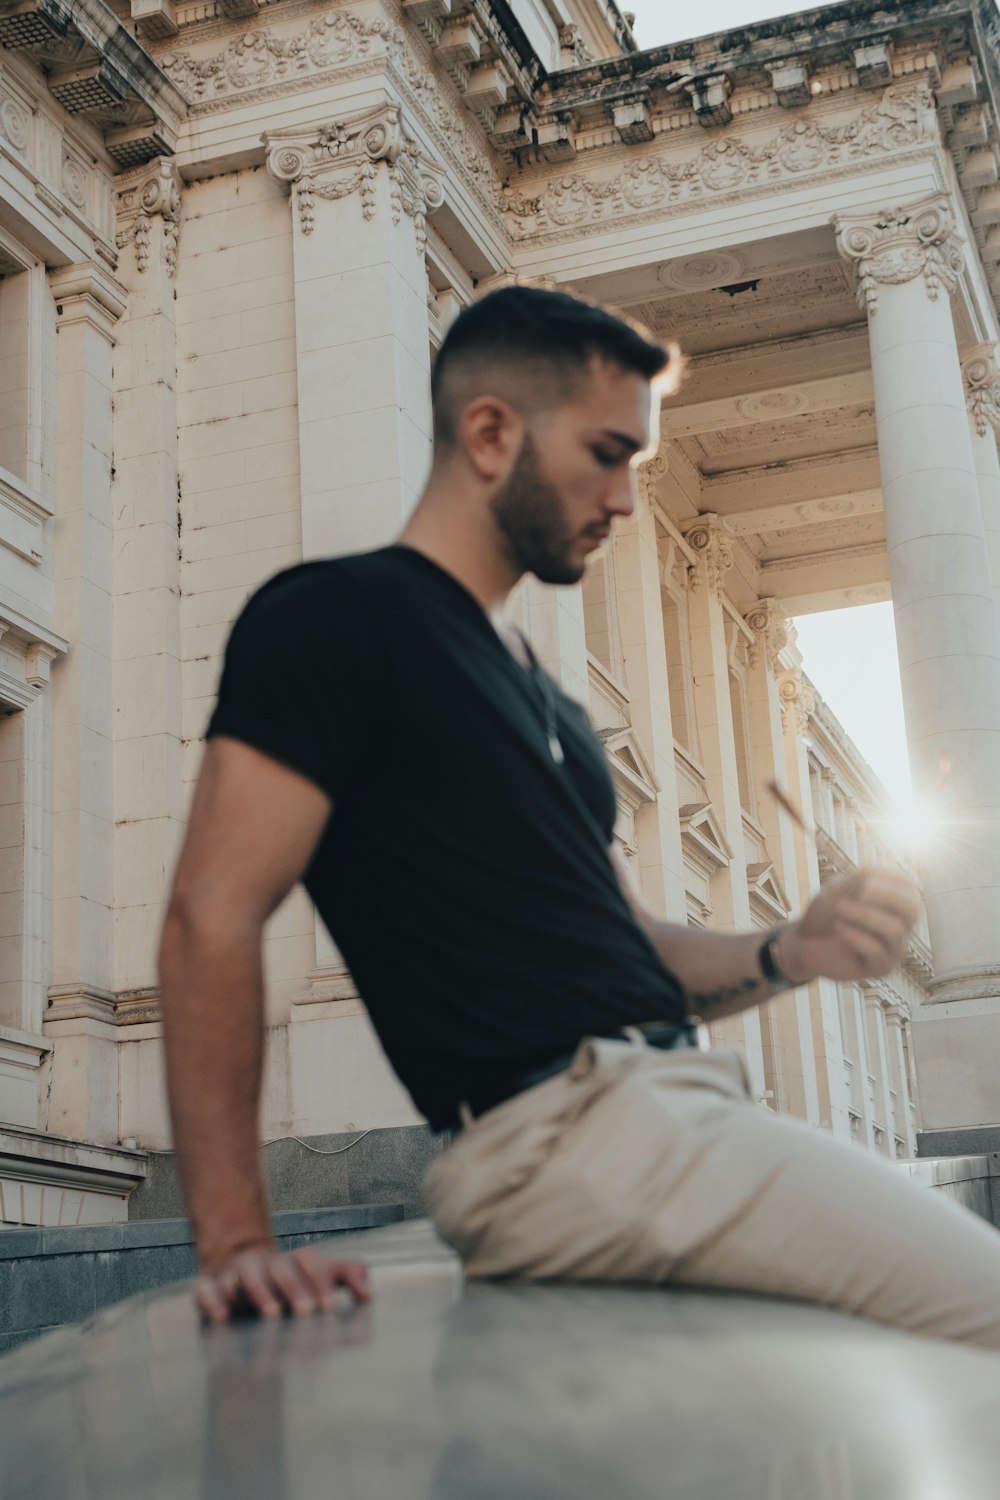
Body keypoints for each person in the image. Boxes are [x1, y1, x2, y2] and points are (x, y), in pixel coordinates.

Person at [159, 287, 1000, 1346]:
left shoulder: (542, 693)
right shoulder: (334, 617)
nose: (626, 500)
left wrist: (794, 947)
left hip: (666, 1112)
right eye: (607, 453)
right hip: (573, 1133)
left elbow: (632, 946)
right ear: (490, 431)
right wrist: (236, 1242)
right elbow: (210, 913)